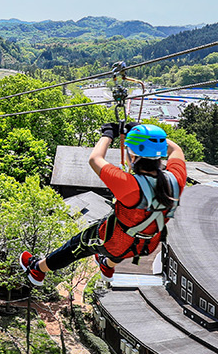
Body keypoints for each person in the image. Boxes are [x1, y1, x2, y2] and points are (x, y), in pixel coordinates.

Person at [20, 121, 186, 286]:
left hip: (114, 242)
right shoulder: (175, 180)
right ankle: (107, 265)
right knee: (127, 232)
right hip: (146, 244)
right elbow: (176, 150)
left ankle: (37, 269)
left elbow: (94, 159)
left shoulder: (128, 185)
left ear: (133, 157)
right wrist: (144, 133)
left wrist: (108, 134)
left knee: (77, 245)